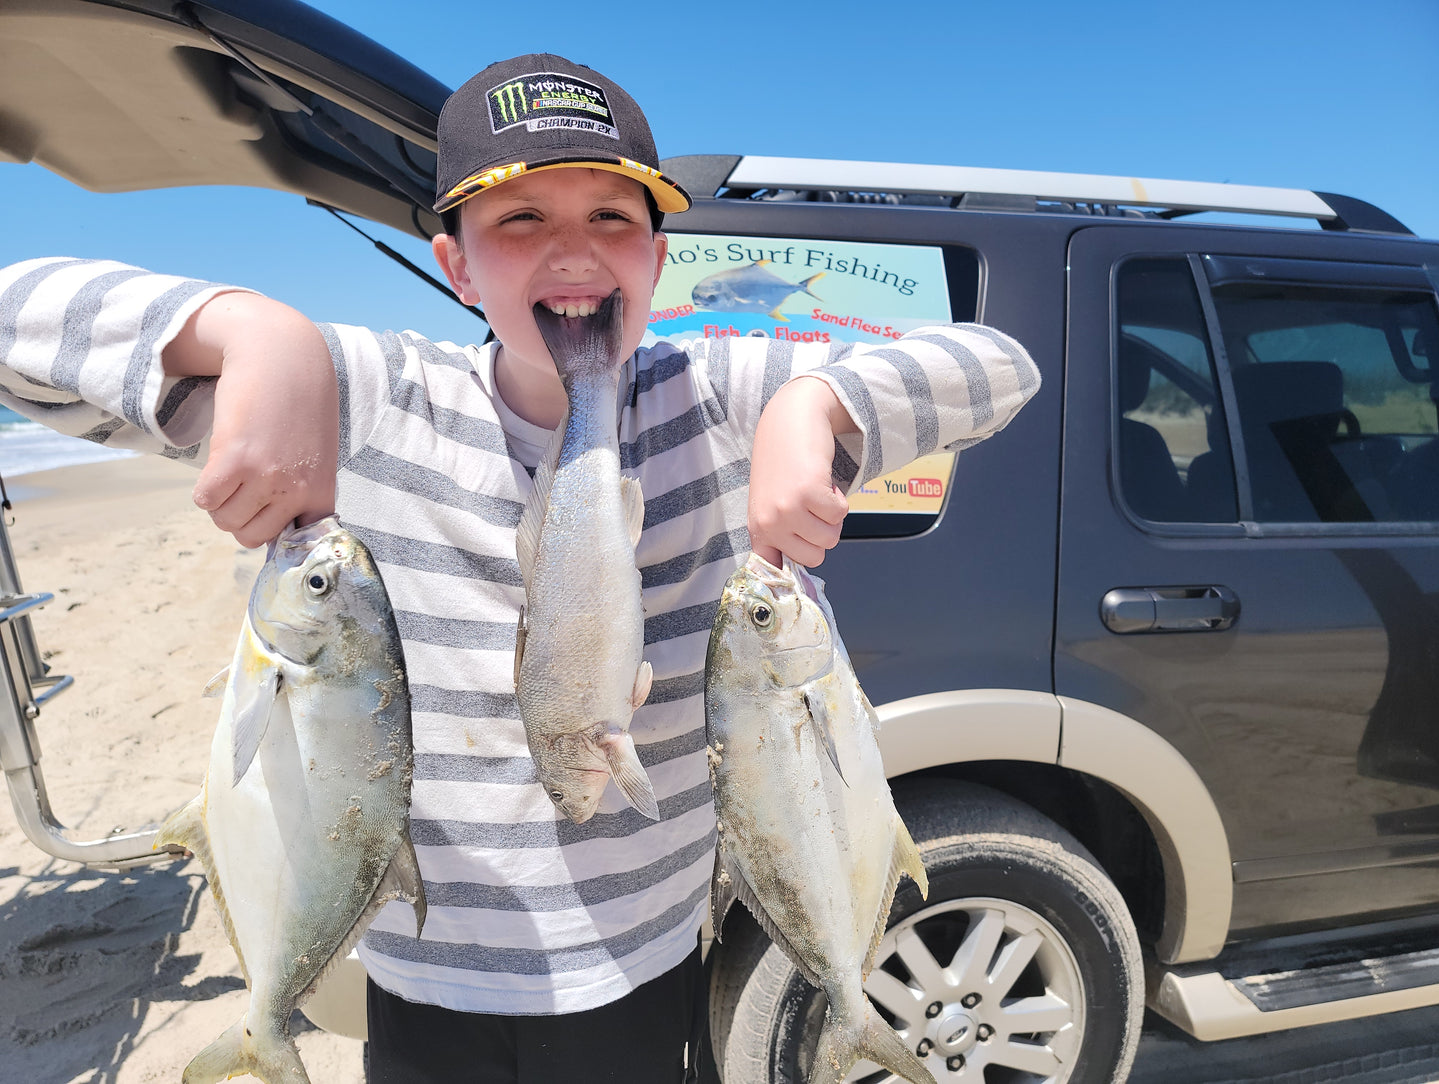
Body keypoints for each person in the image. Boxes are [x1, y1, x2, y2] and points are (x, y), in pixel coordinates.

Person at [0, 53, 1039, 1083]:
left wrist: (819, 408)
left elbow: (999, 365)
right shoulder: (369, 397)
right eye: (520, 221)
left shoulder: (722, 392)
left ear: (658, 256)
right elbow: (18, 328)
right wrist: (250, 335)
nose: (574, 254)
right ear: (456, 265)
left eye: (612, 219)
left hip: (643, 955)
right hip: (419, 964)